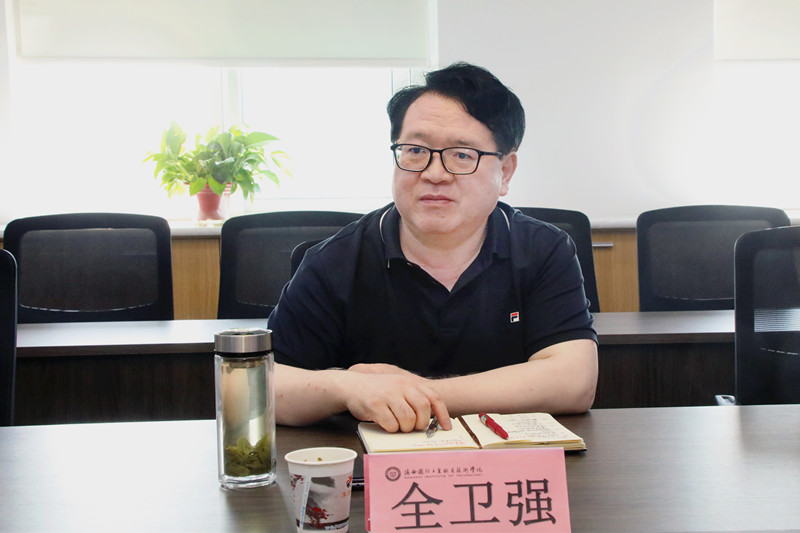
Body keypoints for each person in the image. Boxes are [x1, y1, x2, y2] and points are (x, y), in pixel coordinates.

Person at [270, 62, 598, 433]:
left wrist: (411, 395)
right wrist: (347, 387)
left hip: (506, 462)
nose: (434, 173)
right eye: (415, 150)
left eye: (462, 155)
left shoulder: (543, 249)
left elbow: (575, 381)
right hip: (372, 464)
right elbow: (261, 385)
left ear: (505, 172)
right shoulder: (335, 260)